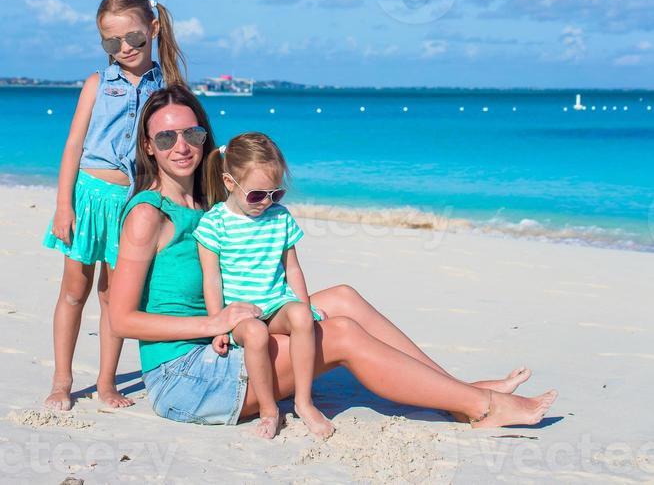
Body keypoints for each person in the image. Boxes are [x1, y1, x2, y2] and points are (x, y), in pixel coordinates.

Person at [110, 84, 558, 430]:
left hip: (232, 341)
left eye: (192, 132)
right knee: (339, 334)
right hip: (187, 378)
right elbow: (122, 320)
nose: (181, 145)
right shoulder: (148, 215)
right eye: (165, 137)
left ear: (206, 136)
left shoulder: (211, 205)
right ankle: (483, 406)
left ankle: (455, 393)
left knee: (341, 297)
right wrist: (212, 323)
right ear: (148, 146)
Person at [42, 0, 186, 411]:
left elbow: (173, 152)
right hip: (87, 198)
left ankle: (106, 384)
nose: (124, 49)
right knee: (74, 290)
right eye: (112, 42)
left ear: (154, 30)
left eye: (134, 39)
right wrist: (63, 206)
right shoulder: (97, 84)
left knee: (113, 296)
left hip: (133, 203)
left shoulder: (168, 89)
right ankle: (62, 380)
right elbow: (73, 147)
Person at [194, 133, 333, 440]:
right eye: (257, 195)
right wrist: (218, 325)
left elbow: (292, 267)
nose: (267, 202)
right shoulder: (213, 224)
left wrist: (304, 305)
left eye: (276, 194)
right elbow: (212, 279)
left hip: (275, 302)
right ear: (230, 183)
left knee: (301, 316)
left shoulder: (279, 218)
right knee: (255, 332)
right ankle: (270, 409)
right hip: (239, 314)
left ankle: (304, 401)